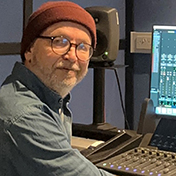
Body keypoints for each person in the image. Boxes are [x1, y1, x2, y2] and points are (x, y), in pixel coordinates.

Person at [0, 1, 115, 176]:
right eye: (60, 42)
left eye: (83, 47)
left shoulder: (50, 100)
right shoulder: (24, 115)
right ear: (29, 50)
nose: (72, 56)